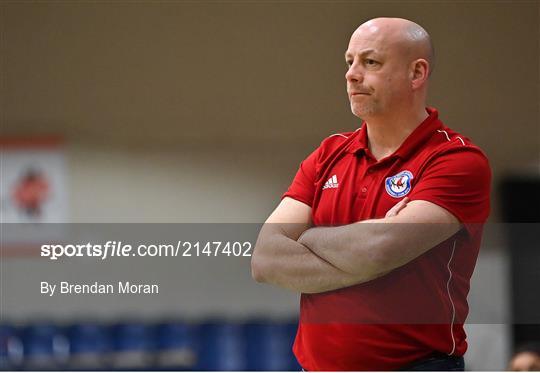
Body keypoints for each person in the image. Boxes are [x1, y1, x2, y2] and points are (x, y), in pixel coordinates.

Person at [251, 17, 491, 371]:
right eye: (349, 62)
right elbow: (265, 259)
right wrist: (369, 246)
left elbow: (379, 250)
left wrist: (307, 239)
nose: (351, 74)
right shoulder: (328, 154)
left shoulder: (456, 160)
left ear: (417, 73)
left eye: (370, 62)